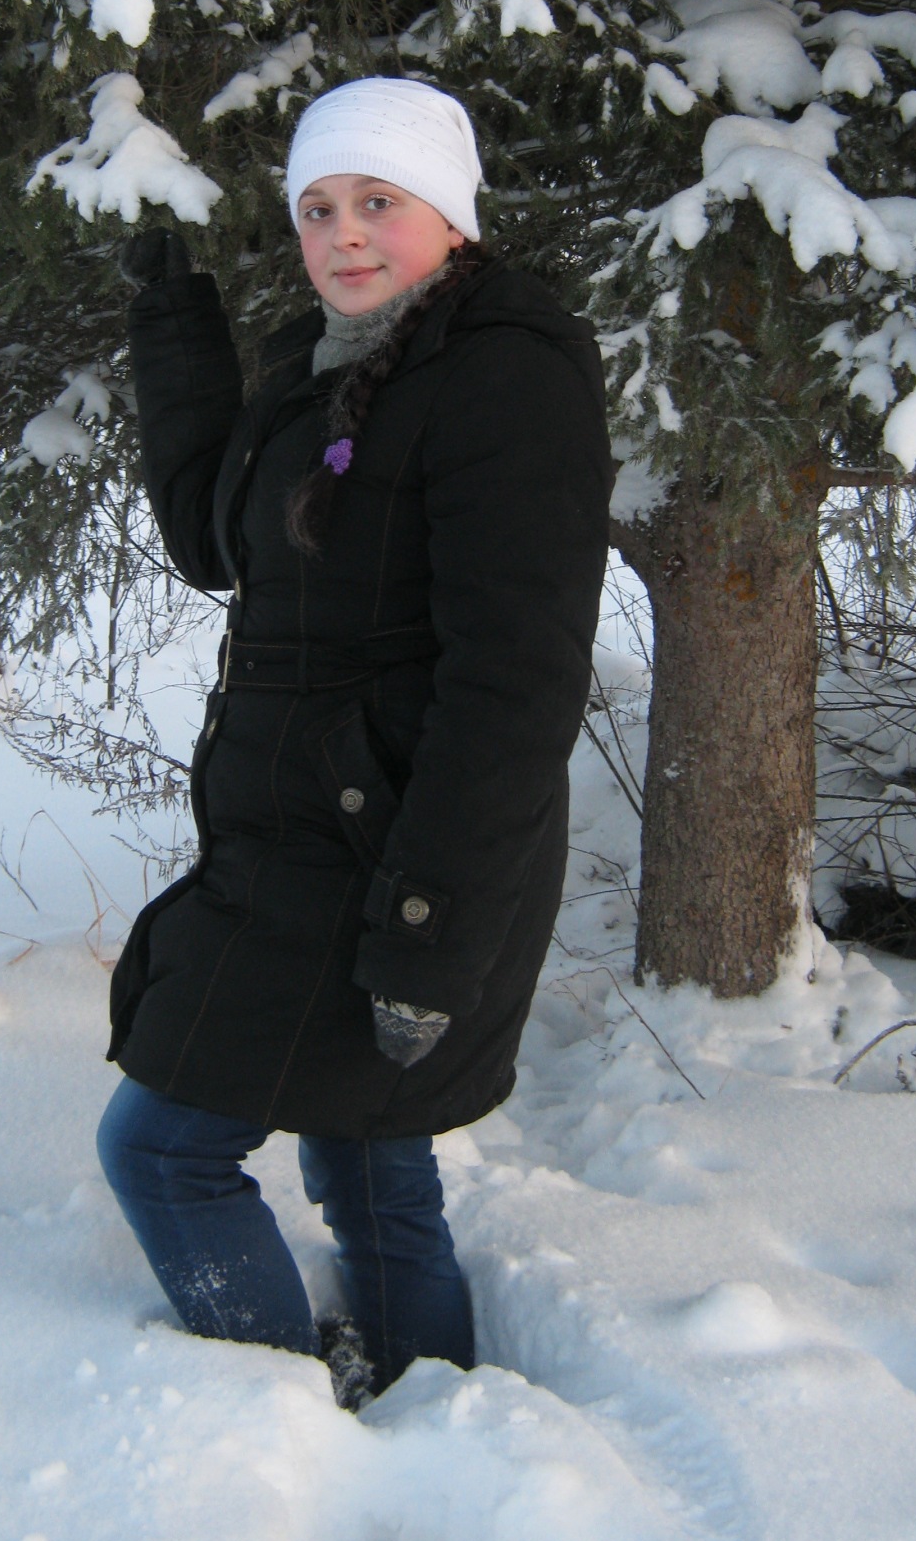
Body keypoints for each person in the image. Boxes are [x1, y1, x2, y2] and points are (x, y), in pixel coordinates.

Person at [96, 76, 614, 1404]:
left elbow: (514, 686)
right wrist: (173, 321)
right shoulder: (324, 356)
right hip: (306, 830)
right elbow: (213, 537)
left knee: (162, 1149)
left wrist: (428, 929)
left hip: (392, 849)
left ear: (450, 213)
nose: (344, 234)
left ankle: (278, 1417)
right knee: (369, 1152)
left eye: (379, 200)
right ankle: (424, 1414)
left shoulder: (503, 373)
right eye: (318, 207)